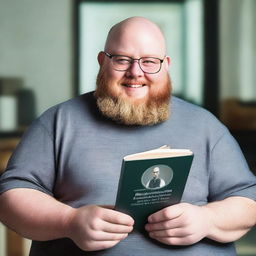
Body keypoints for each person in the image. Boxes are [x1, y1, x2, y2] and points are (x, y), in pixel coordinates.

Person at [0, 16, 256, 256]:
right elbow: (11, 196)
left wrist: (207, 220)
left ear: (165, 65)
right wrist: (70, 222)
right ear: (102, 60)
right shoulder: (57, 121)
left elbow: (248, 199)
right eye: (122, 59)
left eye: (149, 61)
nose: (135, 72)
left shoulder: (205, 125)